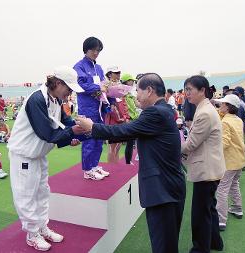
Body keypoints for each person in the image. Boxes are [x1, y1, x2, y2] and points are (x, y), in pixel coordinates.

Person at [76, 73, 186, 253]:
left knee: (163, 246)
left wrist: (92, 127)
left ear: (149, 90)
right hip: (169, 188)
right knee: (167, 243)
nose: (136, 96)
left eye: (138, 91)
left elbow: (124, 130)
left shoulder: (155, 112)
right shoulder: (165, 109)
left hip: (163, 191)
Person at [8, 66, 86, 251]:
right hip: (24, 154)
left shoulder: (56, 99)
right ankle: (32, 233)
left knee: (42, 192)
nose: (69, 93)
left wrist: (77, 127)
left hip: (39, 153)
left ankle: (42, 227)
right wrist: (70, 133)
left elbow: (65, 122)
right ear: (58, 83)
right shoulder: (37, 99)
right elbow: (46, 133)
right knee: (27, 195)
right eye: (69, 88)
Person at [181, 75, 225, 253]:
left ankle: (200, 248)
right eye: (185, 90)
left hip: (206, 170)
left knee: (200, 213)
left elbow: (191, 144)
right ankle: (215, 242)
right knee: (209, 209)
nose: (186, 93)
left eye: (190, 90)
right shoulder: (204, 108)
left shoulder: (205, 112)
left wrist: (174, 147)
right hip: (211, 167)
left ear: (202, 91)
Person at [73, 37, 110, 180]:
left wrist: (109, 93)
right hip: (87, 109)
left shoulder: (99, 68)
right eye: (93, 49)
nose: (96, 52)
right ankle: (87, 170)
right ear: (86, 49)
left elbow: (104, 87)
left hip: (100, 109)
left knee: (99, 139)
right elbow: (79, 86)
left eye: (98, 50)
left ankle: (94, 166)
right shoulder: (79, 66)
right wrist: (98, 87)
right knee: (89, 140)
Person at [214, 94, 245, 231]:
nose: (220, 105)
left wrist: (213, 151)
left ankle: (221, 219)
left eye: (222, 104)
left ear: (228, 107)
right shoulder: (238, 120)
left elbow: (225, 143)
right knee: (234, 184)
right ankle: (237, 208)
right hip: (240, 160)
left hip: (230, 161)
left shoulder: (225, 122)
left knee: (222, 189)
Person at [121, 73, 140, 165]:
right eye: (131, 81)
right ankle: (128, 162)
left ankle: (129, 160)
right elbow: (122, 108)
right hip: (128, 120)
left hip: (134, 119)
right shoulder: (121, 93)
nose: (133, 83)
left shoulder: (130, 93)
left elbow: (137, 104)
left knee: (131, 141)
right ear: (126, 81)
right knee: (129, 141)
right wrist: (126, 118)